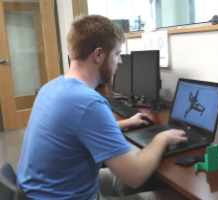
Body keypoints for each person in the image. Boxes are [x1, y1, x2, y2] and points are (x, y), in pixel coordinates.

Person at [16, 15, 187, 200]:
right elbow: (135, 176)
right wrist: (162, 137)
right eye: (117, 54)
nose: (120, 62)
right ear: (98, 55)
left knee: (145, 178)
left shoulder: (50, 87)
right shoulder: (88, 103)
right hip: (62, 196)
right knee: (173, 195)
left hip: (44, 189)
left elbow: (76, 130)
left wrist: (127, 122)